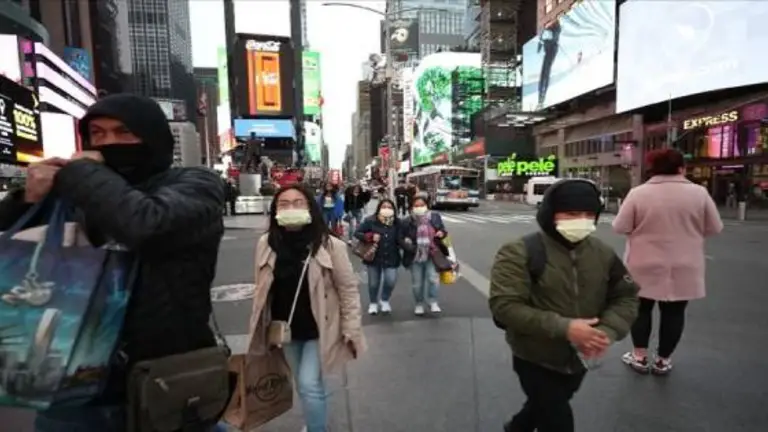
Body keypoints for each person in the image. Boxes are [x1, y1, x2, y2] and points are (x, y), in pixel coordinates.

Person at [0, 94, 226, 431]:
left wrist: (83, 173)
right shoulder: (75, 189)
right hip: (69, 384)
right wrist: (27, 201)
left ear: (152, 137)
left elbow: (146, 224)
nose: (109, 143)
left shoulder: (195, 183)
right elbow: (16, 251)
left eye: (124, 132)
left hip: (161, 379)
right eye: (98, 133)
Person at [489, 178, 639, 432]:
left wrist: (606, 331)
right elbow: (505, 306)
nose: (581, 220)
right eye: (571, 214)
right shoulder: (520, 251)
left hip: (580, 357)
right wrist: (566, 328)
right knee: (556, 417)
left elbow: (626, 296)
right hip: (535, 356)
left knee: (545, 405)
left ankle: (517, 427)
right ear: (550, 214)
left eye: (588, 215)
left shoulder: (602, 253)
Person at [250, 184, 366, 432]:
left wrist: (351, 327)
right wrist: (259, 326)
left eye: (298, 203)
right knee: (305, 383)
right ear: (274, 210)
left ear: (311, 208)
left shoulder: (330, 245)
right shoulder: (266, 243)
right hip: (284, 328)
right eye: (283, 204)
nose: (290, 208)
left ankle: (316, 428)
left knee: (308, 383)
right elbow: (261, 290)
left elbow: (347, 289)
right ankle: (316, 420)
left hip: (320, 326)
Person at [613, 149, 723, 375]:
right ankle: (663, 360)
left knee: (641, 310)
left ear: (652, 169)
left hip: (643, 261)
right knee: (674, 313)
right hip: (684, 263)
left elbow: (620, 226)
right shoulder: (699, 193)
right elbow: (714, 227)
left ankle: (639, 356)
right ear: (681, 168)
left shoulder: (638, 193)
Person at [401, 193, 449, 316]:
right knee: (417, 283)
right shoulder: (407, 221)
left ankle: (433, 301)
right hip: (415, 255)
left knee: (433, 279)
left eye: (422, 205)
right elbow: (401, 238)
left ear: (426, 206)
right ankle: (419, 303)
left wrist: (441, 233)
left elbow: (443, 230)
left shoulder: (434, 217)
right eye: (416, 205)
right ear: (412, 207)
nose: (419, 207)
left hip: (432, 253)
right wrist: (408, 244)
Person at [354, 199, 403, 315]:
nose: (386, 209)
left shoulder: (397, 222)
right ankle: (373, 303)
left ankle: (384, 299)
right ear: (379, 208)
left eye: (389, 207)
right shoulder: (370, 221)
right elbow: (357, 233)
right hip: (374, 257)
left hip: (392, 256)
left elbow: (402, 237)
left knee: (391, 280)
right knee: (373, 283)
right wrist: (370, 236)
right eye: (384, 207)